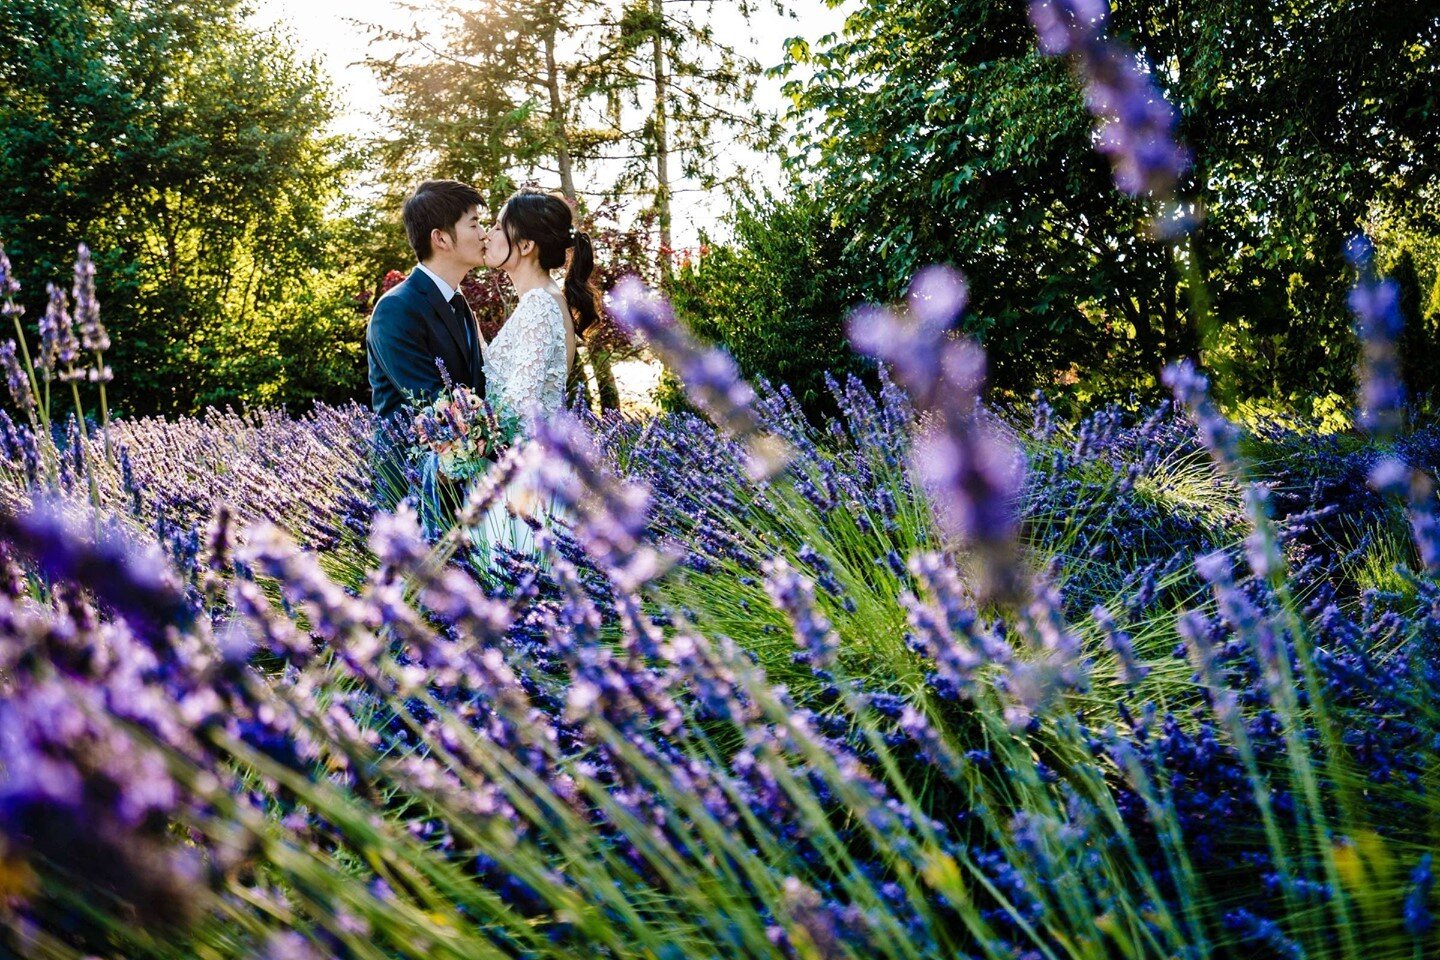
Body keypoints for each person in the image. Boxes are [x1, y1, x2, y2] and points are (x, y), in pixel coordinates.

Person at [477, 187, 602, 560]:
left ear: (526, 244)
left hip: (527, 479)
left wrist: (469, 434)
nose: (489, 235)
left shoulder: (538, 304)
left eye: (499, 227)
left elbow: (520, 404)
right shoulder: (545, 300)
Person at [366, 179, 488, 523]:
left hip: (463, 486)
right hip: (413, 490)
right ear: (441, 238)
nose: (484, 235)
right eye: (474, 224)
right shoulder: (397, 309)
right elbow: (434, 404)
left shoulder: (460, 305)